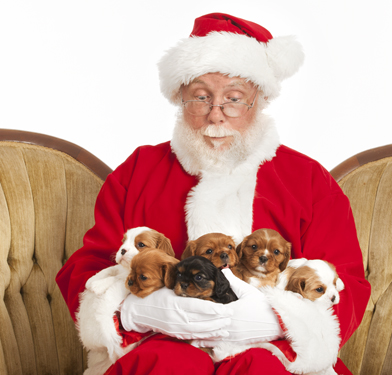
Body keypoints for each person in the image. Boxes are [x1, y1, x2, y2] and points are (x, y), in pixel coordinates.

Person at [56, 13, 371, 375]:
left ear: (260, 100)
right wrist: (134, 310)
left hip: (276, 350)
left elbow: (347, 279)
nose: (215, 116)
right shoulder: (140, 169)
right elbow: (89, 265)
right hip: (155, 344)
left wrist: (276, 320)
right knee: (164, 363)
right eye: (200, 97)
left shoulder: (307, 178)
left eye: (233, 99)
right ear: (180, 99)